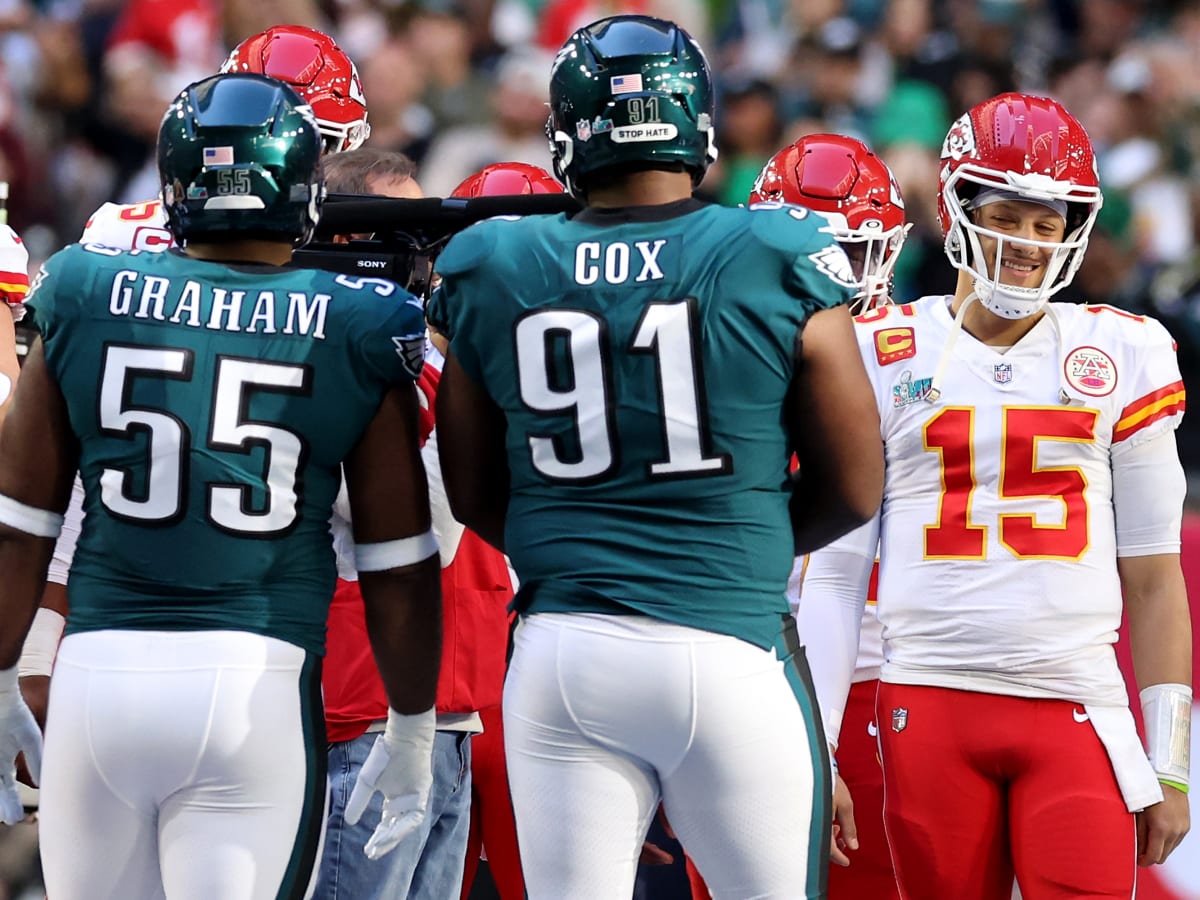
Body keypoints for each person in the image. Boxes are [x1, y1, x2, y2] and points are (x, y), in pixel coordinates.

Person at [426, 14, 884, 900]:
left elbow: (475, 491)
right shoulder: (775, 251)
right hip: (728, 649)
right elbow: (856, 485)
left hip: (565, 653)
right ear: (696, 127)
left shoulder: (495, 260)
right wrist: (741, 542)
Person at [0, 72, 441, 899]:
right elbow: (400, 557)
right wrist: (414, 718)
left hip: (100, 674)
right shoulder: (358, 319)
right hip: (254, 681)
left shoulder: (85, 287)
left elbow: (20, 518)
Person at [810, 91, 1191, 899]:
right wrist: (819, 746)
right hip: (928, 700)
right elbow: (838, 576)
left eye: (1047, 224)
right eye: (1010, 216)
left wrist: (1173, 762)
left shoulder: (1124, 350)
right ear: (955, 208)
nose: (1026, 243)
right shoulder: (882, 349)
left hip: (1077, 703)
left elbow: (1156, 577)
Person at [313, 147, 511, 900]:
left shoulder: (422, 354)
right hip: (368, 705)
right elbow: (438, 522)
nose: (425, 258)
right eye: (406, 234)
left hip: (451, 709)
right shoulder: (337, 350)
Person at [751, 133, 910, 900]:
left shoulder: (921, 356)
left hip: (888, 678)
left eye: (850, 253)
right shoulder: (723, 343)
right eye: (814, 254)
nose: (831, 276)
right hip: (739, 663)